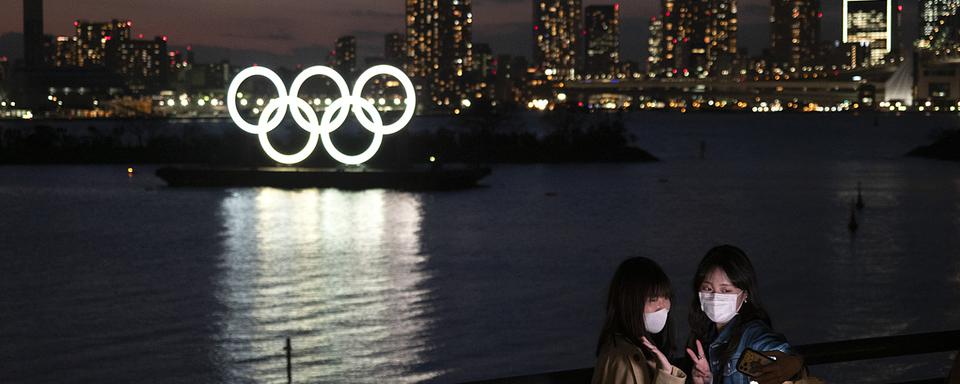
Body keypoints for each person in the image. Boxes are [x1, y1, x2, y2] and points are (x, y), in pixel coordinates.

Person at [684, 245, 804, 384]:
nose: (715, 297)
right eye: (708, 288)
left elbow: (782, 355)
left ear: (745, 294)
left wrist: (794, 363)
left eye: (726, 291)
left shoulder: (753, 335)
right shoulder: (704, 337)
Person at [592, 257, 687, 384]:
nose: (663, 306)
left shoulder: (636, 349)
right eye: (653, 299)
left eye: (666, 297)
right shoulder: (625, 361)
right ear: (629, 303)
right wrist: (667, 377)